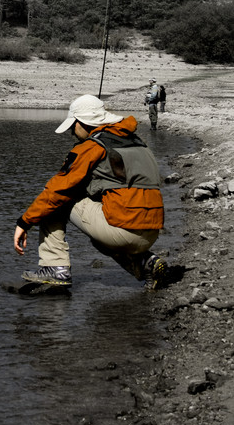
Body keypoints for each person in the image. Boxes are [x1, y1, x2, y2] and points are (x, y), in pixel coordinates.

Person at [13, 94, 168, 290]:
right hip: (152, 232)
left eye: (72, 126)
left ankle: (54, 268)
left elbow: (57, 191)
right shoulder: (138, 142)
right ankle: (146, 263)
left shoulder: (92, 146)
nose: (71, 132)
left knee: (55, 202)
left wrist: (24, 222)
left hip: (123, 231)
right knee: (100, 242)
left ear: (82, 123)